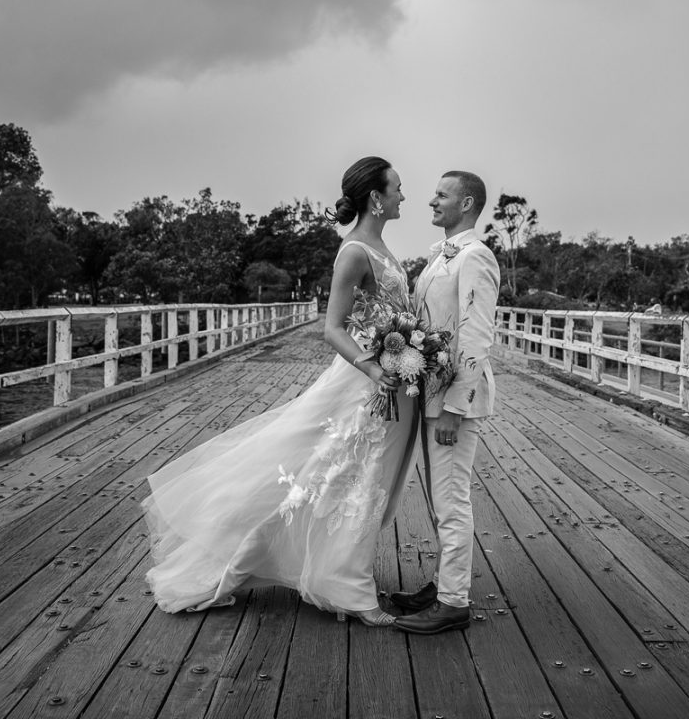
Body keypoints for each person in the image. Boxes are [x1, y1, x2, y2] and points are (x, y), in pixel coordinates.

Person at [141, 156, 418, 626]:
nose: (402, 196)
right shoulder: (355, 251)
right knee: (349, 475)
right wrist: (373, 368)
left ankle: (340, 571)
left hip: (390, 376)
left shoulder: (382, 246)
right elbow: (333, 328)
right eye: (397, 188)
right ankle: (346, 587)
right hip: (366, 381)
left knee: (359, 477)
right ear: (376, 197)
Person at [392, 171, 500, 634]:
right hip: (431, 395)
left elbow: (476, 337)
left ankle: (453, 602)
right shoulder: (441, 255)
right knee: (441, 498)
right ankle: (442, 584)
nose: (432, 201)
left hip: (454, 403)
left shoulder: (476, 257)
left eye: (442, 194)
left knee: (452, 500)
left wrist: (455, 407)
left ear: (467, 203)